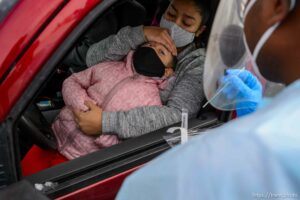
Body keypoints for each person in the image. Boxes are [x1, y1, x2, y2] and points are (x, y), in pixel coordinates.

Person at [116, 0, 300, 199]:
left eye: (247, 4)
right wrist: (259, 111)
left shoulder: (221, 158)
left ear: (277, 5)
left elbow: (139, 190)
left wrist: (107, 121)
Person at [72, 0, 210, 139]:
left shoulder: (196, 64)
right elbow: (92, 59)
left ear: (199, 30)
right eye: (171, 14)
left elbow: (177, 117)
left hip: (120, 144)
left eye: (186, 23)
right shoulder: (143, 36)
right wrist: (140, 34)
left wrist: (106, 122)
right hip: (83, 109)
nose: (174, 25)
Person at [52, 42, 177, 160]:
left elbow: (126, 146)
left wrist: (100, 131)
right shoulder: (109, 66)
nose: (152, 49)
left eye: (161, 52)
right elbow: (72, 81)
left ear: (168, 71)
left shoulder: (152, 102)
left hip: (82, 161)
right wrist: (84, 107)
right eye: (149, 44)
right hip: (53, 135)